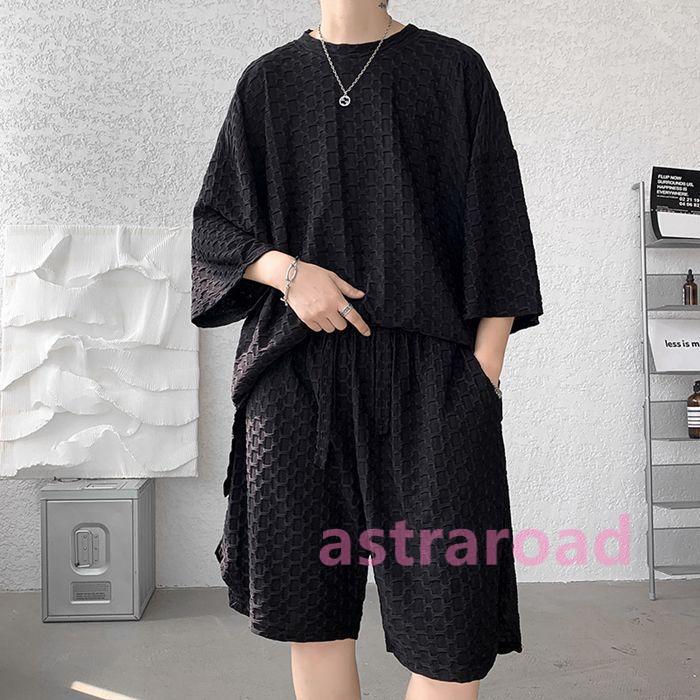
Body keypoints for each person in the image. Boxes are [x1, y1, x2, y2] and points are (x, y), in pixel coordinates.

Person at [190, 1, 543, 698]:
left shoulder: (453, 71)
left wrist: (483, 375)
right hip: (296, 381)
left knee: (450, 633)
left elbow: (499, 225)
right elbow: (214, 229)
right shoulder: (267, 82)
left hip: (433, 382)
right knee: (313, 620)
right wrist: (289, 273)